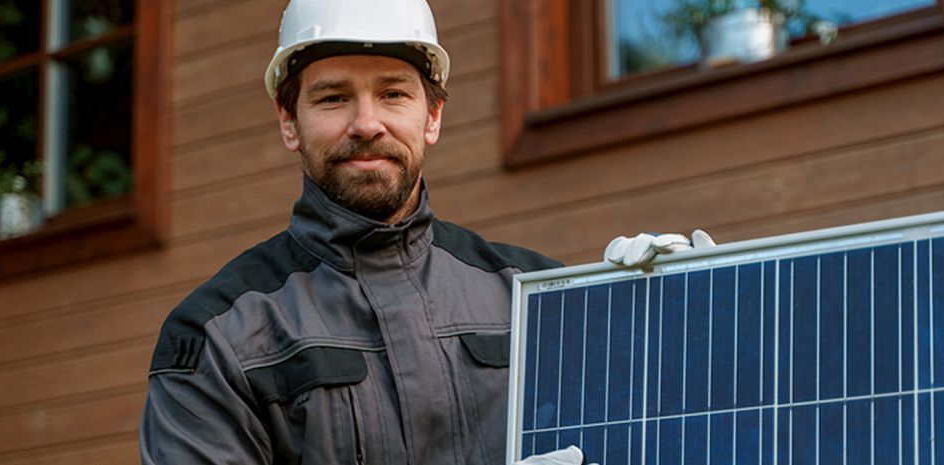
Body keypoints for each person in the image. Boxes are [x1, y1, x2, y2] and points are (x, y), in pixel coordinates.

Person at [138, 1, 710, 463]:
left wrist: (679, 321)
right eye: (334, 97)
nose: (366, 123)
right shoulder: (218, 337)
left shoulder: (535, 296)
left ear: (431, 116)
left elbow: (674, 433)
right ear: (290, 123)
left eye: (393, 93)